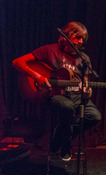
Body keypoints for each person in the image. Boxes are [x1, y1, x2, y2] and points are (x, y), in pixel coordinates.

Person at [12, 21, 101, 161]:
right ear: (67, 35)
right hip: (54, 94)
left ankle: (61, 136)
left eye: (83, 39)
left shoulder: (84, 59)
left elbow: (86, 83)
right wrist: (38, 76)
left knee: (95, 116)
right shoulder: (49, 50)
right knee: (67, 106)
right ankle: (65, 143)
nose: (81, 41)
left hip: (76, 95)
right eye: (77, 37)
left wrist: (87, 91)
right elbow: (17, 62)